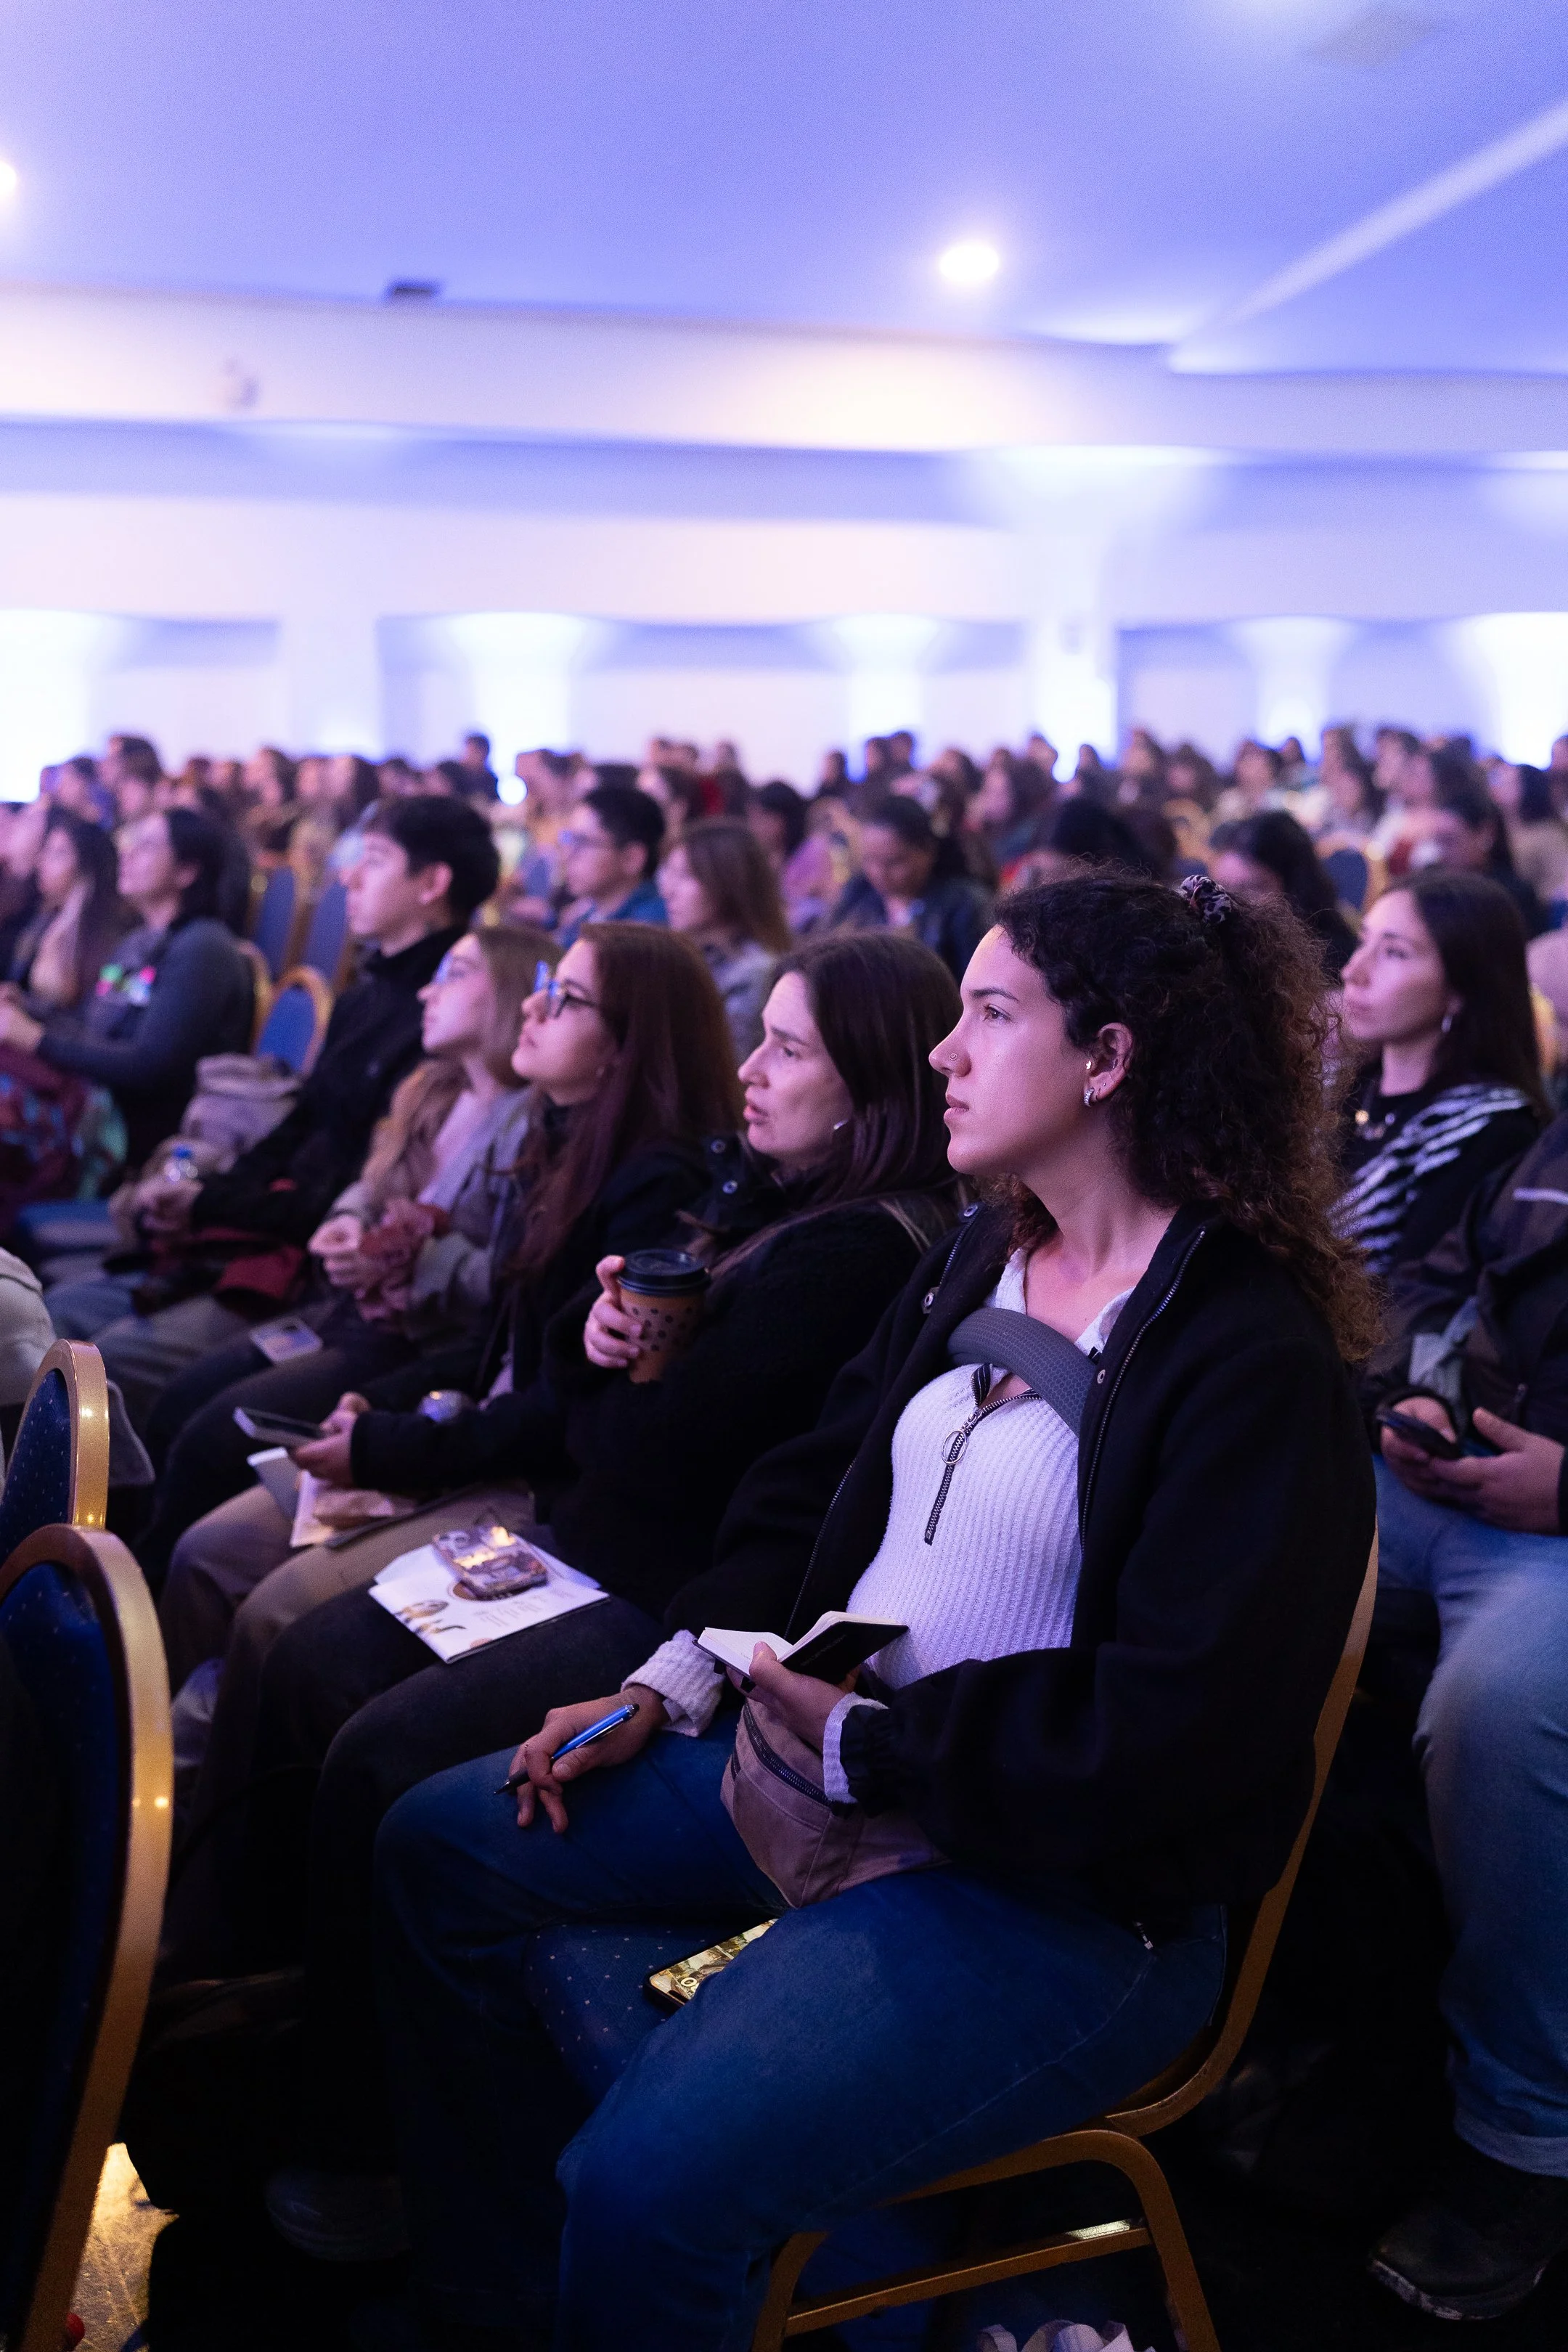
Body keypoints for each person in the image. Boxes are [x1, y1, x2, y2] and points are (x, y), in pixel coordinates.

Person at [326, 872, 1376, 2347]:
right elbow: (812, 1492)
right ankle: (499, 2296)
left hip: (1061, 1893)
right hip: (826, 1770)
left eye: (992, 1015)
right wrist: (671, 1679)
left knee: (649, 2183)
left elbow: (1177, 1728)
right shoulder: (982, 1251)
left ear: (1110, 1058)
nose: (946, 1051)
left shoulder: (1243, 1350)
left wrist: (877, 1750)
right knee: (440, 1845)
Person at [186, 936, 967, 2025]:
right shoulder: (779, 1203)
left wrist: (607, 1368)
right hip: (602, 1542)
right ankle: (248, 1967)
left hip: (660, 1593)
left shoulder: (853, 1252)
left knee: (365, 1735)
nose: (751, 1068)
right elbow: (607, 1401)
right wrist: (603, 1340)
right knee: (311, 1650)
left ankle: (327, 2064)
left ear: (870, 1085)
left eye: (787, 1050)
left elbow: (646, 1451)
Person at [155, 924, 740, 1971]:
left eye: (563, 998)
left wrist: (390, 1442)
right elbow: (496, 1347)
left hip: (532, 1484)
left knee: (284, 1619)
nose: (532, 1007)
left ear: (625, 1043)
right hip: (473, 1430)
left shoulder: (654, 1181)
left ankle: (229, 1932)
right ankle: (184, 1857)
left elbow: (556, 1405)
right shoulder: (556, 1136)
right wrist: (388, 1415)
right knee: (218, 1538)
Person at [44, 796, 499, 1426]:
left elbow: (351, 1185)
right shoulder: (368, 993)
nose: (349, 877)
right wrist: (211, 1194)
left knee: (97, 1356)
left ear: (433, 882)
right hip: (267, 1228)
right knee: (61, 1314)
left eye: (374, 860)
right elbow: (300, 1126)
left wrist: (212, 1204)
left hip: (315, 1268)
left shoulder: (445, 1025)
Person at [136, 923, 550, 1598]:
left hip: (411, 1343)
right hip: (342, 1310)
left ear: (507, 992)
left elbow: (506, 1282)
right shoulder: (433, 1087)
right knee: (183, 1399)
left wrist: (407, 1260)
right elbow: (370, 1179)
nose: (427, 989)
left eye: (455, 973)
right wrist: (347, 1223)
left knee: (213, 1436)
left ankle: (137, 1619)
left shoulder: (531, 1124)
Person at [1362, 1122, 1568, 2316]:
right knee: (1229, 1531)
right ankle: (1178, 1982)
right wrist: (1413, 1402)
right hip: (1460, 1484)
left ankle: (1525, 2140)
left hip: (1556, 1521)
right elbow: (1442, 1282)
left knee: (1503, 1705)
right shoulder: (1548, 1136)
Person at [0, 807, 252, 1178]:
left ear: (187, 871)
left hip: (130, 1134)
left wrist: (37, 1040)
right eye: (132, 841)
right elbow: (90, 1021)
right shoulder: (139, 941)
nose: (128, 854)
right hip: (91, 1102)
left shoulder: (203, 950)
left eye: (147, 846)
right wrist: (30, 1011)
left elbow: (148, 1066)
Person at [1336, 873, 1545, 1276]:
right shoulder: (1345, 1090)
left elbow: (1415, 1304)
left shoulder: (1486, 1128)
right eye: (1364, 942)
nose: (1353, 971)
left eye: (1394, 953)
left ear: (1461, 988)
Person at [659, 819, 790, 1059]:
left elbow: (726, 1068)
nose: (668, 890)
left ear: (727, 882)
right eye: (669, 873)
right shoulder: (691, 953)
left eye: (686, 876)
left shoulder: (754, 971)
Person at [830, 798, 992, 983]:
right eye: (870, 860)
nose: (880, 873)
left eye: (894, 862)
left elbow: (976, 983)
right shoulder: (859, 894)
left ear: (928, 851)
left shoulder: (965, 904)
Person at [4, 809, 130, 1011]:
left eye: (58, 854)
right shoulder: (46, 919)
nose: (41, 862)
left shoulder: (116, 937)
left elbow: (107, 1012)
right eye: (46, 851)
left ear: (87, 865)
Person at [1209, 810, 1360, 975]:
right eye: (1221, 886)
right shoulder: (1212, 944)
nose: (1228, 902)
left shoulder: (1331, 960)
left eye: (1250, 889)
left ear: (1294, 888)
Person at [1422, 782, 1547, 939]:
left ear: (1484, 834)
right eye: (1437, 841)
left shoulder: (1513, 895)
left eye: (1449, 841)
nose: (1440, 852)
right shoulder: (1429, 885)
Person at [557, 785, 667, 944]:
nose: (567, 856)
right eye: (568, 838)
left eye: (582, 842)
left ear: (632, 858)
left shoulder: (646, 933)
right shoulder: (589, 916)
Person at [748, 780, 836, 932]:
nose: (754, 826)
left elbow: (827, 902)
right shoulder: (764, 854)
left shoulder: (814, 850)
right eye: (752, 818)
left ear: (784, 818)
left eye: (762, 818)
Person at [1490, 761, 1568, 907]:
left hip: (1543, 911)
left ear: (1529, 788)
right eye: (1498, 780)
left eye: (1509, 783)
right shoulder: (1496, 830)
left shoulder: (1547, 834)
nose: (1497, 787)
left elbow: (1561, 884)